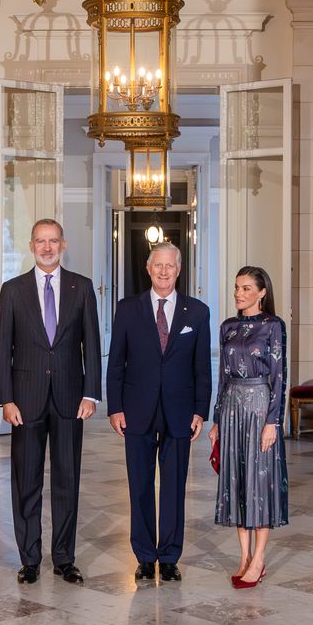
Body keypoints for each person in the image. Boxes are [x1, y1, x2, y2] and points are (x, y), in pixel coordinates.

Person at [0, 218, 101, 585]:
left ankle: (64, 559)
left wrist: (90, 393)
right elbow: (2, 349)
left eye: (53, 240)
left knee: (67, 480)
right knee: (26, 482)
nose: (47, 247)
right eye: (40, 241)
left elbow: (92, 344)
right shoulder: (12, 290)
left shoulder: (81, 287)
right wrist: (6, 399)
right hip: (25, 401)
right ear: (31, 246)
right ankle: (29, 560)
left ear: (63, 245)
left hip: (71, 399)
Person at [107, 241, 211, 582]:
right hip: (136, 409)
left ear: (178, 270)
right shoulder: (127, 309)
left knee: (174, 487)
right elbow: (116, 362)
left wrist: (200, 410)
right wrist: (115, 407)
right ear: (148, 269)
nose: (164, 271)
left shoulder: (197, 312)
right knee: (139, 486)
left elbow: (202, 367)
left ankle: (168, 557)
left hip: (180, 411)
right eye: (158, 265)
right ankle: (144, 556)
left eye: (170, 266)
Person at [208, 265, 288, 589]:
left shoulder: (273, 326)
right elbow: (222, 376)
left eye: (246, 288)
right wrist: (216, 419)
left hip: (259, 407)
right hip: (231, 408)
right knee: (238, 481)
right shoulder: (227, 326)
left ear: (262, 292)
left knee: (260, 481)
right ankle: (243, 557)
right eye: (237, 287)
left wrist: (273, 422)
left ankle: (259, 559)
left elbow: (279, 377)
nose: (238, 294)